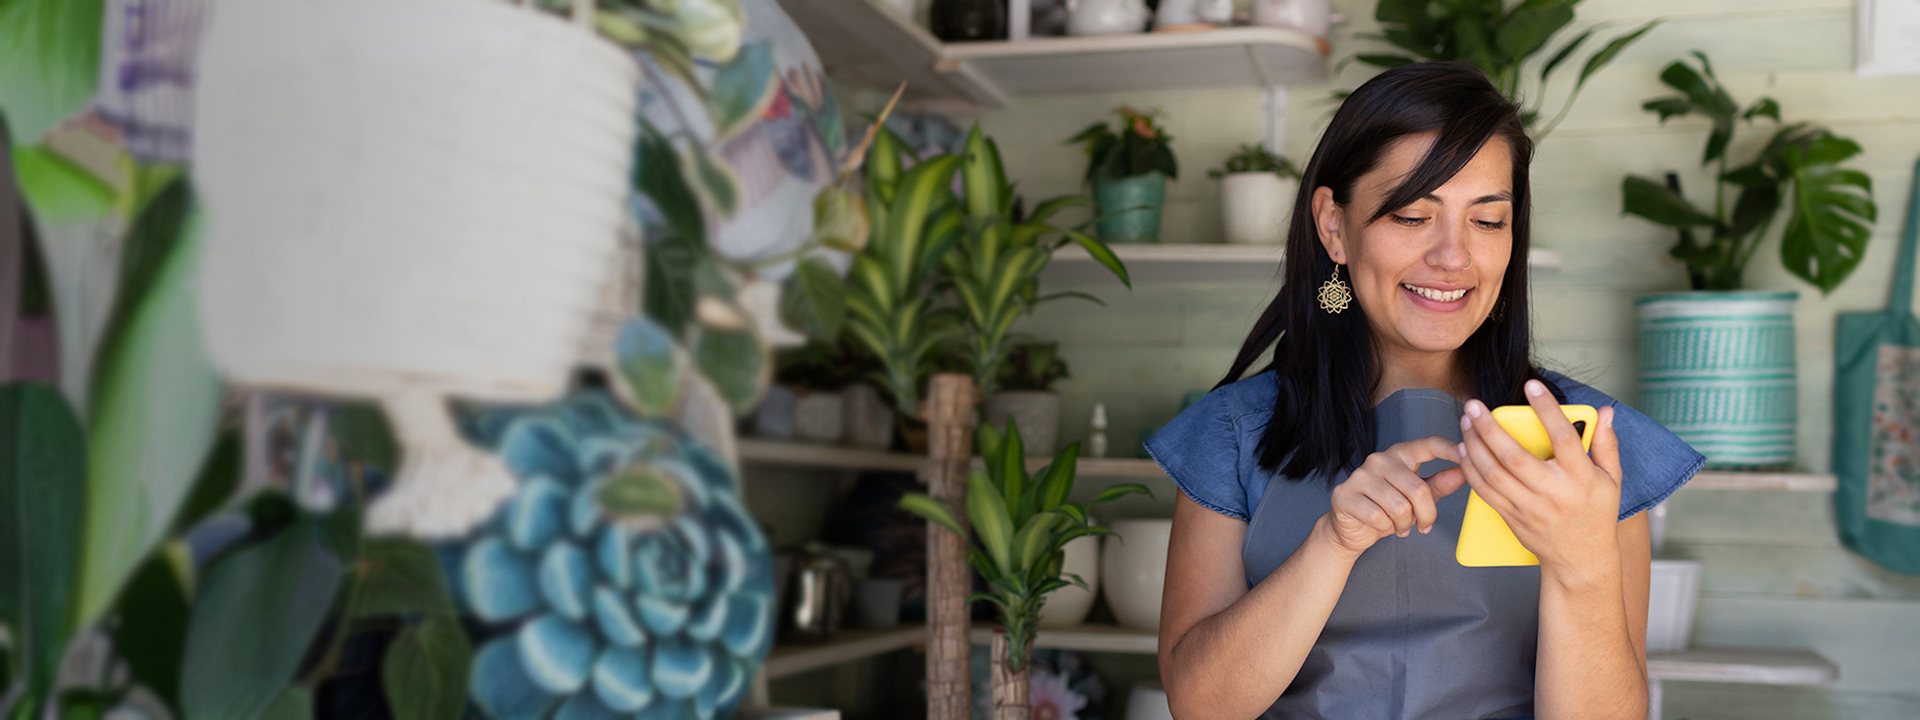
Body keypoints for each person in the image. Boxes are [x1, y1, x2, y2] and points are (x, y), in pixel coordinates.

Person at [1144, 61, 1704, 719]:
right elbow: (1201, 705)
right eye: (1413, 214)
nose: (1454, 256)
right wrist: (1334, 542)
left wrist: (1584, 567)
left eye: (1488, 221)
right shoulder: (1231, 432)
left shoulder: (1587, 442)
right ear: (1333, 226)